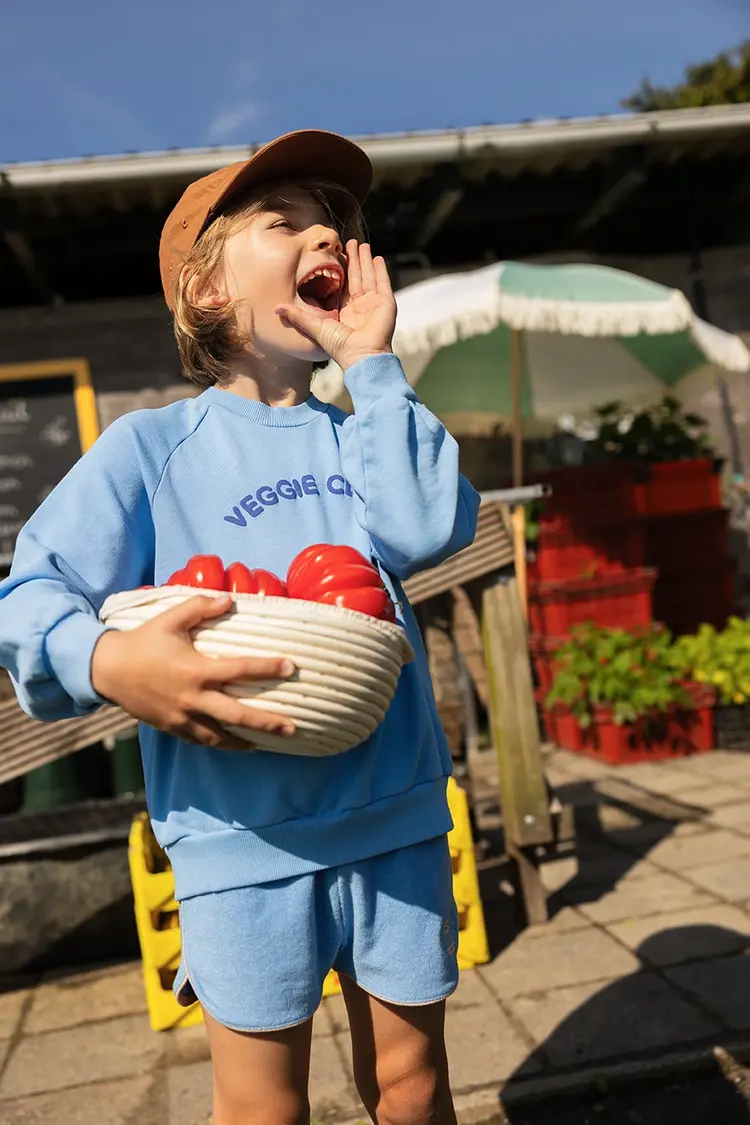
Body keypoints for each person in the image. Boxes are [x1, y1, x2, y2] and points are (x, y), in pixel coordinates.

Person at [0, 129, 479, 1125]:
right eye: (285, 221)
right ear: (207, 294)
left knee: (414, 1085)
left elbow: (428, 527)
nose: (327, 239)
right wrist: (109, 659)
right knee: (263, 1107)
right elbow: (31, 594)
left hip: (392, 817)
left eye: (337, 225)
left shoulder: (366, 430)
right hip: (238, 840)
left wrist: (377, 368)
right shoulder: (150, 450)